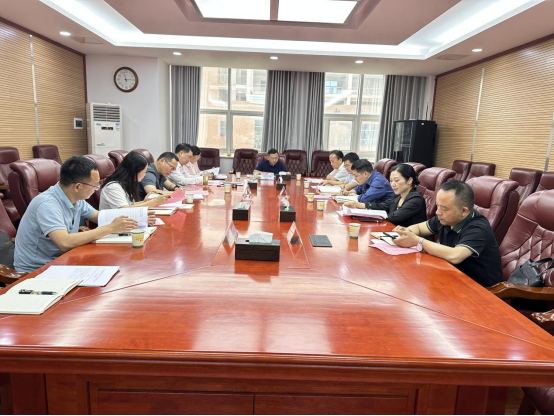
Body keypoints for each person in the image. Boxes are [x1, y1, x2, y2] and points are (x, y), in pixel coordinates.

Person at [14, 156, 140, 273]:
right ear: (78, 187)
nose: (96, 188)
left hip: (64, 260)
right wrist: (110, 228)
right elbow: (64, 242)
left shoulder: (75, 199)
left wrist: (139, 217)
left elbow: (100, 216)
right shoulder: (47, 204)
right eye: (95, 185)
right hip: (38, 271)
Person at [394, 180, 503, 287]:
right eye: (437, 205)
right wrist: (407, 232)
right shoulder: (445, 218)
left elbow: (455, 255)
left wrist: (418, 241)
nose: (438, 212)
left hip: (480, 289)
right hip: (451, 276)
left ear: (464, 211)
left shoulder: (478, 228)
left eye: (444, 208)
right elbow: (419, 228)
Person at [345, 164, 427, 227]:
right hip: (394, 232)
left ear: (409, 180)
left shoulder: (416, 199)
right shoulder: (398, 195)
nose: (393, 184)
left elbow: (394, 217)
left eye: (396, 180)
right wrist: (358, 205)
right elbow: (382, 206)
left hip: (412, 239)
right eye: (391, 181)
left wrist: (370, 215)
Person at [100, 151, 171, 210]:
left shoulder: (127, 183)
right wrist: (154, 202)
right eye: (145, 171)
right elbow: (124, 210)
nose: (145, 174)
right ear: (135, 170)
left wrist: (145, 202)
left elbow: (130, 205)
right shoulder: (113, 187)